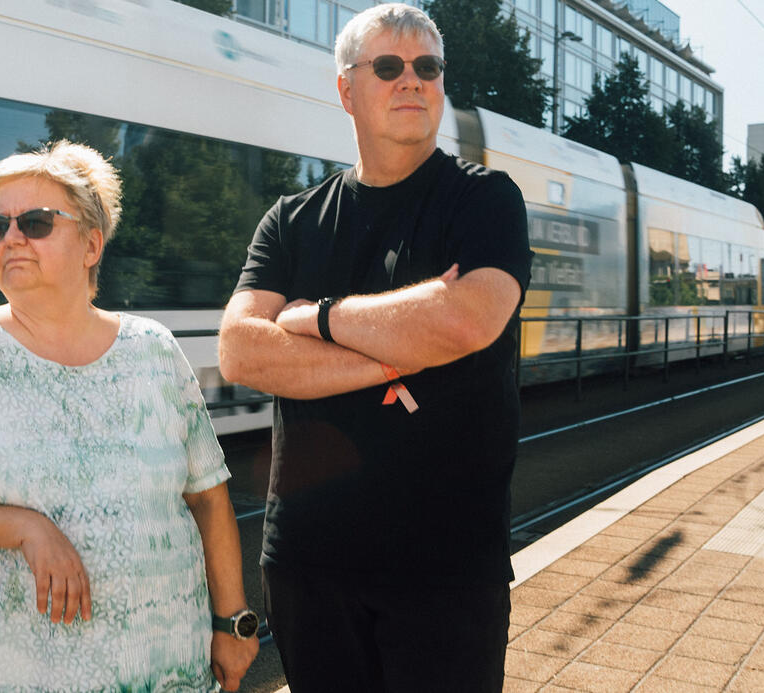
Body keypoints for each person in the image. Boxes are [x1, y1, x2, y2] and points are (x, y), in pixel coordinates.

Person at [216, 4, 533, 692]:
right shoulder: (291, 221)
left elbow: (464, 322)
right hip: (308, 566)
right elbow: (241, 352)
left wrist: (317, 317)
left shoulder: (483, 200)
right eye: (388, 66)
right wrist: (398, 347)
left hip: (446, 570)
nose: (411, 80)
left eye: (427, 67)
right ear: (346, 89)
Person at [0, 141, 259, 691]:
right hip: (32, 674)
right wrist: (27, 528)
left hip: (172, 670)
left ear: (92, 245)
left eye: (36, 222)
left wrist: (232, 622)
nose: (11, 237)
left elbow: (208, 498)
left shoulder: (154, 349)